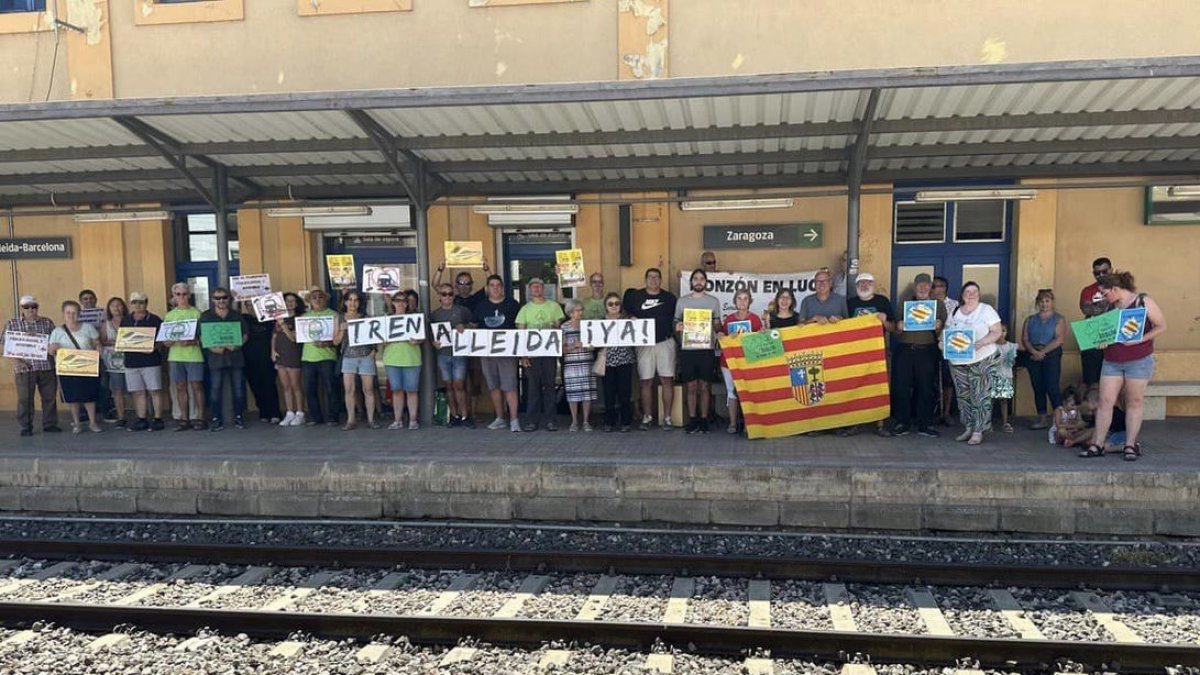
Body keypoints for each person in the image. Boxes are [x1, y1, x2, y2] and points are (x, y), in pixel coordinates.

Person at [1080, 271, 1166, 462]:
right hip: (1112, 360)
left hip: (1139, 359)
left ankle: (1130, 444)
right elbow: (1100, 330)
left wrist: (1140, 340)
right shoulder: (1108, 306)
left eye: (1105, 293)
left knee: (1134, 401)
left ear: (1116, 289)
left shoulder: (1143, 301)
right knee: (1105, 401)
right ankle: (1097, 444)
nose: (1103, 297)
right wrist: (1099, 341)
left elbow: (1161, 326)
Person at [942, 281, 1004, 445]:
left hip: (982, 359)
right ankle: (968, 427)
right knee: (963, 396)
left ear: (979, 294)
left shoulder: (986, 310)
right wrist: (943, 342)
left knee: (980, 395)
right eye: (967, 292)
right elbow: (947, 331)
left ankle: (979, 430)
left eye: (974, 291)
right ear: (962, 295)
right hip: (957, 361)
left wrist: (982, 342)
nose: (971, 294)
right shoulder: (956, 311)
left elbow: (997, 331)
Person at [622, 268, 678, 431]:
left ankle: (667, 417)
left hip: (665, 342)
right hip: (644, 344)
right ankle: (647, 417)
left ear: (661, 280)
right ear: (645, 279)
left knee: (667, 380)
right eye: (650, 277)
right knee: (645, 381)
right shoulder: (635, 296)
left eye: (657, 277)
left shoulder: (669, 298)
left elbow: (677, 318)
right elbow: (624, 313)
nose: (653, 280)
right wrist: (630, 317)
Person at [892, 273, 946, 437]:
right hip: (905, 349)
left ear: (931, 287)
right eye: (920, 285)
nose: (923, 287)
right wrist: (899, 326)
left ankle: (925, 424)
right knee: (901, 387)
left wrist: (939, 325)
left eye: (926, 285)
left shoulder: (938, 305)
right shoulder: (904, 303)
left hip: (927, 350)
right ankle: (903, 423)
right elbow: (895, 329)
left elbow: (945, 330)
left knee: (926, 388)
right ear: (914, 287)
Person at [844, 272, 895, 438]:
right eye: (861, 283)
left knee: (879, 387)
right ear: (856, 286)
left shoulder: (882, 301)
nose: (864, 286)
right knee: (855, 387)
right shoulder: (850, 303)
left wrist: (883, 321)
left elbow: (893, 328)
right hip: (856, 353)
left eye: (867, 283)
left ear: (873, 284)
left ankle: (880, 424)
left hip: (877, 352)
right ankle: (854, 424)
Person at [2, 295, 59, 437]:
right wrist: (16, 360)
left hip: (46, 365)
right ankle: (25, 426)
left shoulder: (47, 323)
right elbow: (4, 346)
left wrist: (47, 345)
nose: (31, 309)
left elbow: (55, 341)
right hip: (24, 367)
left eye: (34, 306)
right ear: (21, 308)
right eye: (27, 307)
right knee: (24, 399)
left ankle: (50, 424)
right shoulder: (12, 324)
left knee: (49, 397)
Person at [674, 268, 721, 434]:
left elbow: (717, 325)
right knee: (691, 386)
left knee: (705, 386)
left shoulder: (713, 301)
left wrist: (717, 327)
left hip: (706, 349)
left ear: (706, 282)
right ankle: (692, 419)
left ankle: (704, 419)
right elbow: (676, 324)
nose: (699, 281)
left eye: (702, 279)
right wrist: (677, 327)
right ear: (691, 282)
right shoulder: (682, 302)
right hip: (688, 349)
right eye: (696, 279)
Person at [473, 274, 523, 432]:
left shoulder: (512, 305)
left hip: (507, 353)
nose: (495, 288)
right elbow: (474, 327)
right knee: (493, 386)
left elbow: (520, 327)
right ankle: (500, 418)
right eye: (492, 285)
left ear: (502, 288)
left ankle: (514, 419)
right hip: (487, 353)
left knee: (510, 386)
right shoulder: (481, 306)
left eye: (498, 285)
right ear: (487, 288)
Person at [516, 277, 565, 432]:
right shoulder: (524, 309)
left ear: (543, 288)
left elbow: (559, 330)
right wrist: (522, 356)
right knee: (533, 389)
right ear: (529, 290)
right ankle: (531, 421)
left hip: (549, 355)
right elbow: (521, 334)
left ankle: (551, 421)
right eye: (533, 287)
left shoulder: (554, 306)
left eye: (539, 286)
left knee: (550, 387)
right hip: (532, 356)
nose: (536, 289)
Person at [46, 300, 103, 435]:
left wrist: (98, 348)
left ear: (79, 314)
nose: (71, 315)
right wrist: (53, 348)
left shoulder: (88, 328)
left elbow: (97, 343)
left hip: (87, 367)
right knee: (73, 397)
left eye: (74, 312)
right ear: (63, 314)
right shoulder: (57, 331)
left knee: (90, 396)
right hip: (67, 369)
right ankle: (77, 424)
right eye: (68, 312)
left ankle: (93, 422)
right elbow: (50, 350)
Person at [199, 287, 250, 431]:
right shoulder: (206, 316)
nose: (221, 300)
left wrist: (237, 345)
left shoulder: (236, 315)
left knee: (239, 389)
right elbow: (202, 337)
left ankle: (239, 417)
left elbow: (245, 334)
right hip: (216, 358)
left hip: (235, 357)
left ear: (229, 299)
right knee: (215, 389)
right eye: (217, 298)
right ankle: (216, 419)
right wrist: (212, 348)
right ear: (212, 300)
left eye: (224, 297)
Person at [120, 291, 166, 432]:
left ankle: (158, 419)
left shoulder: (155, 319)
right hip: (132, 361)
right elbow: (122, 338)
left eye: (141, 302)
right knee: (138, 392)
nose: (138, 305)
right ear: (131, 304)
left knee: (155, 391)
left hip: (151, 361)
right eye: (135, 302)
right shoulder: (126, 320)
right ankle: (142, 419)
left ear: (146, 303)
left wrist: (154, 347)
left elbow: (162, 340)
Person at [430, 283, 475, 428]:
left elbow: (475, 325)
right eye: (444, 294)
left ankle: (465, 416)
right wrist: (433, 343)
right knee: (448, 385)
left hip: (459, 353)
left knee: (459, 384)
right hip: (443, 354)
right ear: (439, 297)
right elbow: (430, 334)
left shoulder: (462, 311)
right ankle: (454, 415)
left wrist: (465, 327)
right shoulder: (435, 314)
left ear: (453, 296)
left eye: (450, 294)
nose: (447, 297)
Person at [1020, 289, 1065, 430]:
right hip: (1033, 353)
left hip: (1051, 354)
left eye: (1047, 301)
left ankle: (1059, 419)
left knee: (1052, 385)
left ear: (1052, 302)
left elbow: (1059, 339)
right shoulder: (1030, 320)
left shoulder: (1058, 319)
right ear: (1037, 303)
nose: (1044, 304)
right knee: (1037, 386)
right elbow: (1025, 339)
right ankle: (1042, 417)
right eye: (1041, 301)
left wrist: (1043, 352)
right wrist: (1033, 351)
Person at [334, 290, 379, 430]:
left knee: (369, 389)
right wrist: (342, 330)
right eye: (350, 300)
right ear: (345, 302)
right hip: (348, 356)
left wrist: (374, 351)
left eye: (356, 300)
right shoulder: (339, 317)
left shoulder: (365, 316)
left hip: (365, 355)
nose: (353, 303)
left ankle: (371, 419)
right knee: (349, 389)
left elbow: (375, 336)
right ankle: (351, 419)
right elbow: (335, 341)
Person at [719, 288, 762, 435]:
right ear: (734, 301)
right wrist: (721, 335)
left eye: (745, 298)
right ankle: (732, 423)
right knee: (731, 392)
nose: (742, 301)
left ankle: (747, 424)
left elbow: (759, 343)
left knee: (747, 392)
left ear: (750, 301)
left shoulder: (755, 319)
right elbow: (722, 340)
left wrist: (762, 333)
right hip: (729, 362)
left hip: (748, 362)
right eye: (739, 298)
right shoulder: (729, 319)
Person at [164, 282, 206, 431]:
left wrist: (192, 341)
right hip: (175, 356)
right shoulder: (169, 315)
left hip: (194, 355)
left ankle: (201, 417)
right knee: (180, 387)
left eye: (184, 294)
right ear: (174, 297)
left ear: (189, 295)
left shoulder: (197, 313)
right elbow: (166, 341)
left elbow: (204, 337)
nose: (181, 297)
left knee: (197, 387)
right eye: (178, 294)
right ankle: (184, 418)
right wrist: (170, 341)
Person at [301, 287, 340, 427]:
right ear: (310, 301)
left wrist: (327, 343)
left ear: (326, 299)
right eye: (314, 297)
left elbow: (337, 338)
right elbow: (298, 337)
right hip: (308, 358)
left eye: (320, 297)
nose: (317, 299)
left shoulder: (333, 315)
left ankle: (332, 417)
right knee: (309, 390)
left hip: (327, 357)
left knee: (331, 388)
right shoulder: (304, 317)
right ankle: (315, 417)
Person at [599, 292, 636, 433]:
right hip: (607, 361)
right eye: (610, 304)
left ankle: (626, 422)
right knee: (609, 393)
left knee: (624, 393)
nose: (614, 306)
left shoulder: (628, 319)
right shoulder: (600, 321)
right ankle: (609, 421)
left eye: (616, 303)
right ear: (606, 306)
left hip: (625, 359)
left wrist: (634, 321)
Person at [1078, 257, 1114, 395]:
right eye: (1097, 273)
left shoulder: (1120, 288)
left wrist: (1097, 308)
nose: (1101, 275)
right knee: (1092, 382)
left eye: (1104, 271)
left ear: (1111, 269)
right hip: (1092, 338)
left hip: (1114, 337)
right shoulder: (1088, 290)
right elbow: (1086, 310)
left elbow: (1124, 309)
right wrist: (1109, 305)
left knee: (1114, 382)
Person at [561, 298, 597, 432]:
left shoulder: (587, 325)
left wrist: (588, 346)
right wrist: (573, 346)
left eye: (581, 310)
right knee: (573, 394)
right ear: (570, 312)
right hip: (571, 365)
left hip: (587, 363)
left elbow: (594, 345)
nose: (580, 313)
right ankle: (574, 421)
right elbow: (560, 348)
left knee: (587, 394)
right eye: (577, 310)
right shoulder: (564, 327)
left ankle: (586, 421)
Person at [274, 292, 305, 426]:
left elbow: (294, 338)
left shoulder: (299, 319)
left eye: (293, 301)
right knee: (285, 386)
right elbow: (274, 336)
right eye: (287, 301)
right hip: (281, 355)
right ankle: (289, 412)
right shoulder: (279, 319)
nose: (290, 303)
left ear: (297, 304)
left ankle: (300, 412)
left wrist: (284, 325)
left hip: (293, 355)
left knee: (295, 386)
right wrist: (272, 351)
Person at [932, 275, 958, 426]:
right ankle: (934, 412)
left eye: (940, 286)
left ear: (946, 288)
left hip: (949, 346)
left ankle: (947, 412)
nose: (937, 289)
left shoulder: (954, 305)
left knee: (948, 381)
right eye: (934, 286)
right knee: (931, 380)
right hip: (929, 344)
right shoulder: (927, 304)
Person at [99, 297, 130, 428]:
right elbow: (102, 341)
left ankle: (142, 415)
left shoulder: (130, 321)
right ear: (109, 309)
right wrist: (115, 342)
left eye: (119, 305)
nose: (116, 308)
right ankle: (121, 417)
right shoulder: (105, 324)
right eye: (113, 306)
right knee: (117, 390)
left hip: (130, 359)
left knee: (135, 389)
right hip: (114, 362)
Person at [989, 325, 1019, 434]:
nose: (1001, 333)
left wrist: (1011, 359)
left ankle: (1005, 422)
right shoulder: (991, 346)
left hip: (1005, 376)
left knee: (1004, 400)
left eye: (1003, 331)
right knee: (990, 400)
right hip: (993, 376)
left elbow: (1013, 362)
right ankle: (988, 423)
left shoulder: (1011, 346)